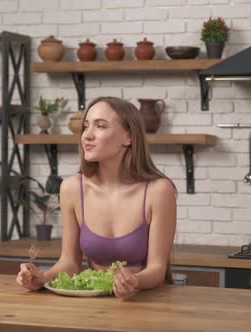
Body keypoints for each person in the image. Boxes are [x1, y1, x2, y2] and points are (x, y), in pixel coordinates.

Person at [16, 96, 177, 298]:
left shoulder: (159, 190)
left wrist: (133, 282)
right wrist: (42, 278)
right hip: (93, 304)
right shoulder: (72, 188)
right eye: (86, 126)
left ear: (128, 137)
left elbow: (157, 270)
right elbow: (70, 262)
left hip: (145, 302)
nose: (87, 135)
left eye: (100, 126)